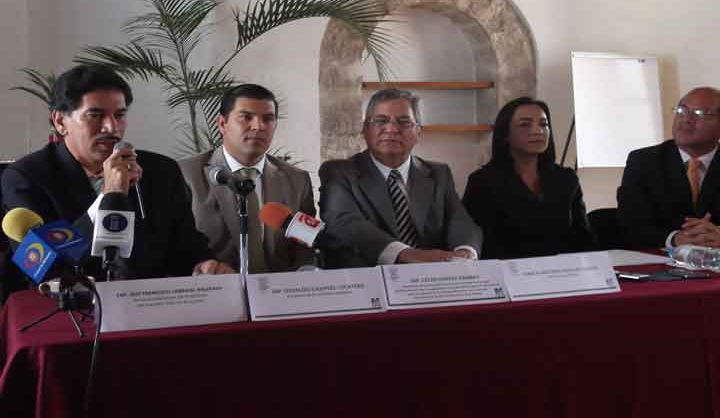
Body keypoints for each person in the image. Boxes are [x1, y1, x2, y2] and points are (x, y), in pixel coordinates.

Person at [1, 64, 231, 290]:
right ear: (60, 122)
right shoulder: (26, 178)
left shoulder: (161, 171)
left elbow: (187, 249)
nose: (112, 127)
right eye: (95, 115)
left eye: (119, 115)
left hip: (150, 303)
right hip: (69, 307)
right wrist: (108, 196)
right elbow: (37, 266)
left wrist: (204, 266)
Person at [318, 88, 482, 268]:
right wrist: (407, 254)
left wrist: (465, 252)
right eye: (381, 121)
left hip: (431, 278)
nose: (391, 129)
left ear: (418, 132)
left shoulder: (438, 173)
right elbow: (345, 224)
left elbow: (459, 220)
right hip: (366, 279)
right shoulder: (339, 173)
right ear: (365, 129)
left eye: (404, 122)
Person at [179, 84, 316, 272]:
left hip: (281, 288)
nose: (258, 126)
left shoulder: (297, 180)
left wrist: (304, 276)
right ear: (222, 124)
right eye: (246, 117)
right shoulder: (186, 174)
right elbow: (174, 246)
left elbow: (304, 247)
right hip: (214, 286)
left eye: (268, 119)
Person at [462, 97, 593, 259]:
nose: (538, 131)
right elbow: (480, 243)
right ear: (505, 134)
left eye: (543, 124)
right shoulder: (482, 182)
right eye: (525, 125)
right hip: (507, 270)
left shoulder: (566, 178)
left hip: (564, 270)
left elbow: (584, 239)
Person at [618, 87, 720, 249]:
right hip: (660, 259)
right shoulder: (644, 161)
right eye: (682, 111)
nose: (687, 119)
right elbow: (630, 224)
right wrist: (674, 239)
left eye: (699, 113)